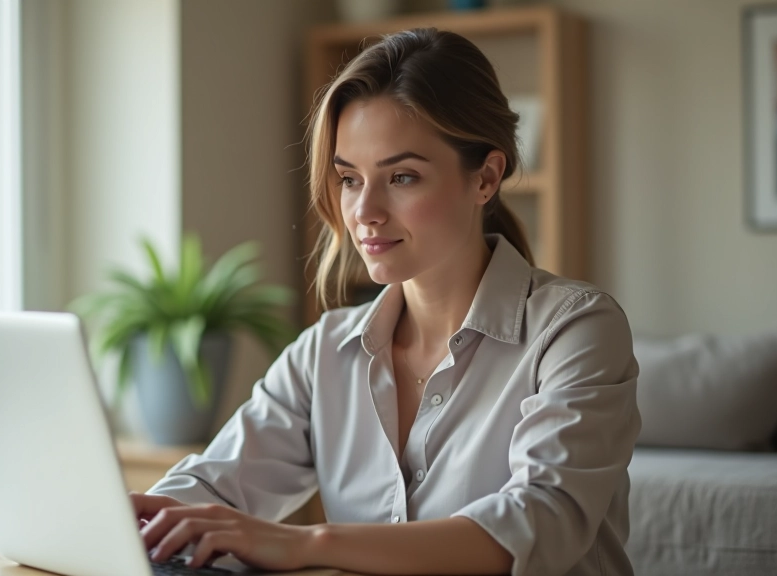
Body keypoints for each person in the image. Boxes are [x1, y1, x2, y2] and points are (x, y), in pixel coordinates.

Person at [132, 28, 641, 576]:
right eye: (350, 178)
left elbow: (542, 519)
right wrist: (137, 519)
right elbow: (213, 482)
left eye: (402, 176)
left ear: (486, 178)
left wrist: (305, 544)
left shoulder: (577, 330)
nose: (364, 211)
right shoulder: (324, 352)